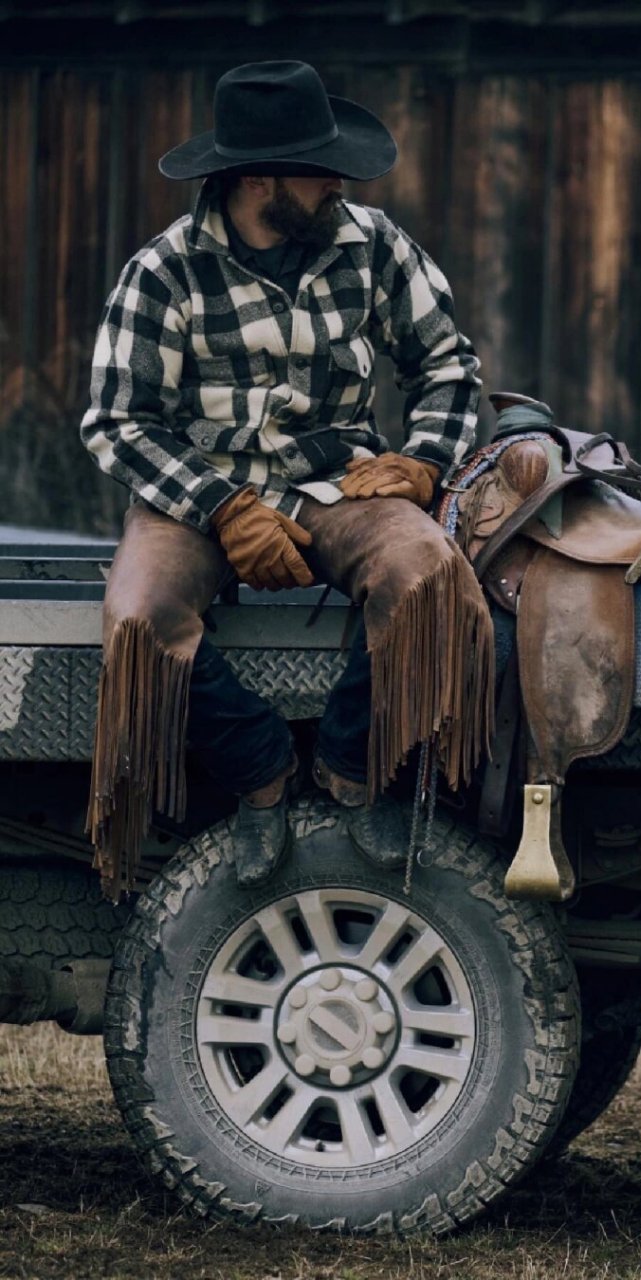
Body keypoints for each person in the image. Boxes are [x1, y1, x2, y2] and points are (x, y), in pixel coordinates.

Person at [81, 60, 493, 897]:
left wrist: (421, 460)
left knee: (427, 572)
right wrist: (221, 504)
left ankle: (349, 775)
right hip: (197, 488)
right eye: (319, 168)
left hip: (338, 476)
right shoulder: (162, 271)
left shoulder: (371, 243)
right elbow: (118, 421)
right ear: (258, 180)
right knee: (139, 616)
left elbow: (448, 365)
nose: (338, 182)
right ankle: (264, 784)